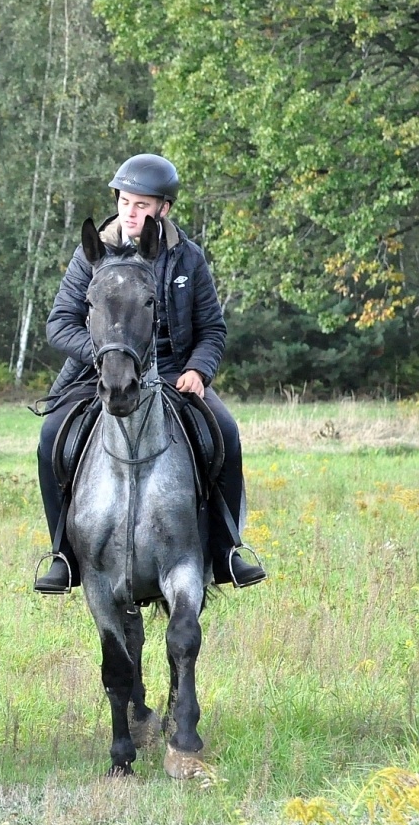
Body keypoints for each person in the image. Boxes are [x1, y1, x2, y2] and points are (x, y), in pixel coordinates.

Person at [34, 153, 267, 593]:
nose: (130, 212)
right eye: (125, 202)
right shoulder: (92, 255)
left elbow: (212, 329)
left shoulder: (188, 259)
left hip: (175, 374)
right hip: (100, 371)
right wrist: (106, 357)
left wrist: (199, 369)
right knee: (50, 440)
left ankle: (227, 550)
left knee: (227, 432)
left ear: (164, 208)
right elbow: (60, 324)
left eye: (141, 204)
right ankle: (63, 554)